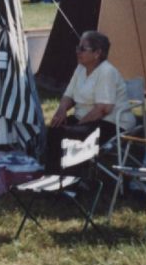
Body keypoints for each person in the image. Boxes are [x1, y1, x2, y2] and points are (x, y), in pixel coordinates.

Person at [46, 30, 133, 173]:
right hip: (88, 119)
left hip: (112, 122)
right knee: (55, 129)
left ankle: (75, 179)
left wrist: (77, 126)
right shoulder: (81, 68)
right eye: (77, 48)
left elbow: (103, 109)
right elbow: (68, 96)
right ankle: (53, 174)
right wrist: (61, 111)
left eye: (82, 49)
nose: (77, 52)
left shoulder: (106, 72)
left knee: (74, 134)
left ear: (97, 53)